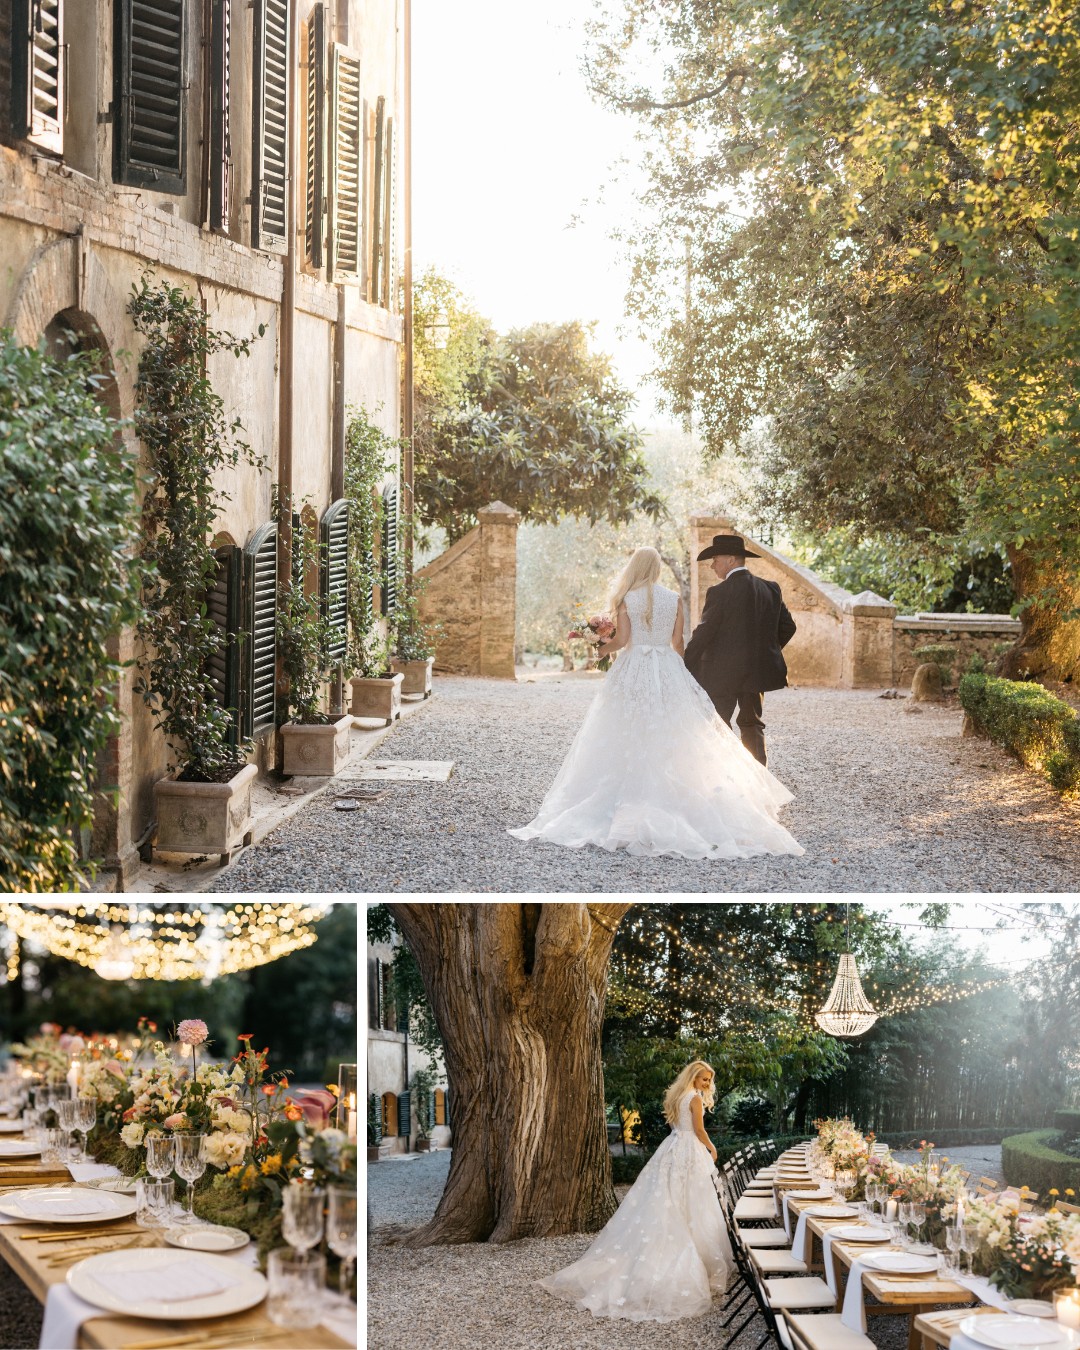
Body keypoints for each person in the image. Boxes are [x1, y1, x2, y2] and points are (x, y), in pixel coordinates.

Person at [508, 546, 803, 859]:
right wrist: (680, 672)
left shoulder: (627, 599)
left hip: (634, 667)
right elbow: (678, 643)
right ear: (657, 569)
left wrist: (602, 648)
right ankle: (704, 796)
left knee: (625, 725)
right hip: (666, 666)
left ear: (635, 568)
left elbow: (622, 640)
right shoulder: (673, 598)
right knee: (674, 728)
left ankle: (625, 794)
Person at [538, 1061, 733, 1323]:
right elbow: (698, 1130)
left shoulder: (678, 1097)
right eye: (704, 1080)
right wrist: (712, 1147)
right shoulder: (695, 1099)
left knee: (675, 1199)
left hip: (672, 1149)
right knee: (693, 1201)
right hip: (689, 1151)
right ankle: (693, 1259)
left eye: (709, 1080)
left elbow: (678, 1127)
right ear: (694, 1078)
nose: (707, 1085)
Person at [684, 533, 797, 766]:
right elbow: (788, 627)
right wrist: (765, 651)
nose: (712, 565)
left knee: (719, 725)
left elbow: (704, 633)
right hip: (757, 672)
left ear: (731, 560)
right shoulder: (770, 589)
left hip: (721, 673)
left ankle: (723, 778)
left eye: (716, 559)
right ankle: (760, 783)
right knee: (752, 724)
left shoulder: (719, 592)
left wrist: (685, 664)